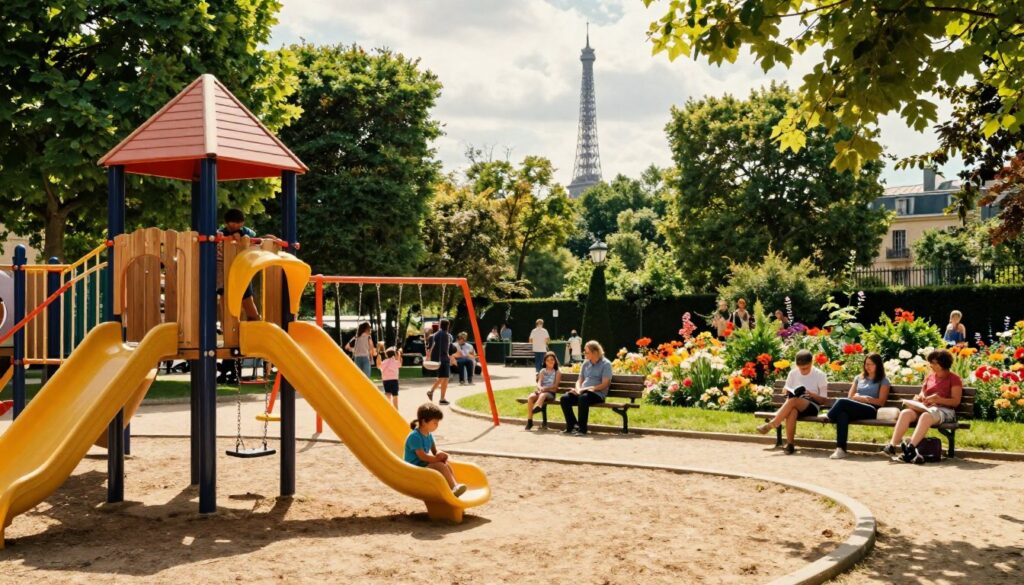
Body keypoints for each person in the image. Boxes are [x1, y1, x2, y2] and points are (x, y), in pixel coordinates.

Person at [883, 349, 962, 464]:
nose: (931, 365)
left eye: (934, 363)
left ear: (943, 363)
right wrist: (920, 398)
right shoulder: (930, 377)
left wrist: (939, 400)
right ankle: (892, 445)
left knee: (926, 416)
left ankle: (910, 448)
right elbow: (923, 393)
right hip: (926, 408)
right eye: (931, 362)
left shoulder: (954, 379)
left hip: (944, 411)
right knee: (906, 413)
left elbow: (955, 402)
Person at [756, 350, 829, 453]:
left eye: (806, 368)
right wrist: (788, 391)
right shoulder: (793, 373)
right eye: (801, 369)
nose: (803, 371)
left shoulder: (820, 375)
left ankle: (773, 423)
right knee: (792, 410)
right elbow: (785, 390)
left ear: (812, 363)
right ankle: (790, 445)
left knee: (793, 401)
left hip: (812, 406)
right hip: (793, 403)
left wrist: (810, 394)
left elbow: (823, 400)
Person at [826, 353, 890, 459]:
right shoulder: (859, 378)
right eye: (866, 364)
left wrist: (864, 398)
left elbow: (881, 402)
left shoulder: (883, 380)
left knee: (841, 402)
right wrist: (858, 398)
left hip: (871, 409)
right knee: (842, 414)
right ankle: (840, 449)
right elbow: (850, 396)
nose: (867, 367)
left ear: (878, 365)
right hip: (856, 407)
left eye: (871, 364)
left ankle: (829, 415)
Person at [405, 403, 467, 496]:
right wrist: (437, 459)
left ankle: (453, 486)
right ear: (424, 421)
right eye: (435, 423)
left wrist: (441, 454)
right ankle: (453, 487)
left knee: (446, 465)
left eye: (438, 422)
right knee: (440, 465)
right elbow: (422, 456)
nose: (437, 425)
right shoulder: (415, 436)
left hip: (422, 466)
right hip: (413, 469)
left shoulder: (429, 435)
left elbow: (435, 451)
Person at [217, 208, 261, 322]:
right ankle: (227, 325)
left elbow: (254, 238)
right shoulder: (222, 232)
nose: (236, 225)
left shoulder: (246, 231)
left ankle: (255, 323)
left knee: (248, 301)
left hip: (242, 270)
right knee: (225, 298)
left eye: (239, 223)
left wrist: (241, 234)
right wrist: (227, 236)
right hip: (225, 270)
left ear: (242, 223)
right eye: (233, 223)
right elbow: (218, 236)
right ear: (226, 223)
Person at [560, 341, 612, 436]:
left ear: (595, 352)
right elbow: (579, 380)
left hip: (597, 394)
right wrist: (577, 389)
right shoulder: (586, 363)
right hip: (583, 392)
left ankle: (582, 429)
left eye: (587, 352)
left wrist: (587, 389)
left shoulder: (606, 364)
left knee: (583, 398)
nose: (584, 354)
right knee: (565, 398)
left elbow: (605, 384)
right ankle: (572, 425)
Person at [525, 351, 561, 430]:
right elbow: (539, 382)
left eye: (552, 359)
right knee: (531, 397)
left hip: (550, 393)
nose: (550, 362)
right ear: (545, 362)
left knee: (543, 395)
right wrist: (540, 387)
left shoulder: (557, 372)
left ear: (555, 361)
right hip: (542, 391)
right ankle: (530, 421)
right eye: (548, 360)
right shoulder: (542, 371)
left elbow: (555, 386)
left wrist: (545, 389)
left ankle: (538, 407)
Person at [426, 319, 454, 405]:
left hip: (438, 358)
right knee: (443, 377)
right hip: (443, 358)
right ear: (448, 326)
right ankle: (431, 391)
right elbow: (446, 348)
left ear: (440, 325)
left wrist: (429, 357)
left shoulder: (434, 335)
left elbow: (431, 347)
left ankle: (442, 398)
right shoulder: (446, 335)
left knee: (445, 378)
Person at [376, 343, 402, 409]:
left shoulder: (384, 362)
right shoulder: (395, 362)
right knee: (395, 395)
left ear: (386, 355)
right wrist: (399, 355)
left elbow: (378, 366)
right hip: (394, 380)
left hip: (386, 380)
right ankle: (396, 409)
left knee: (388, 394)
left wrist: (378, 359)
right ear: (394, 355)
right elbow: (400, 364)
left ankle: (388, 408)